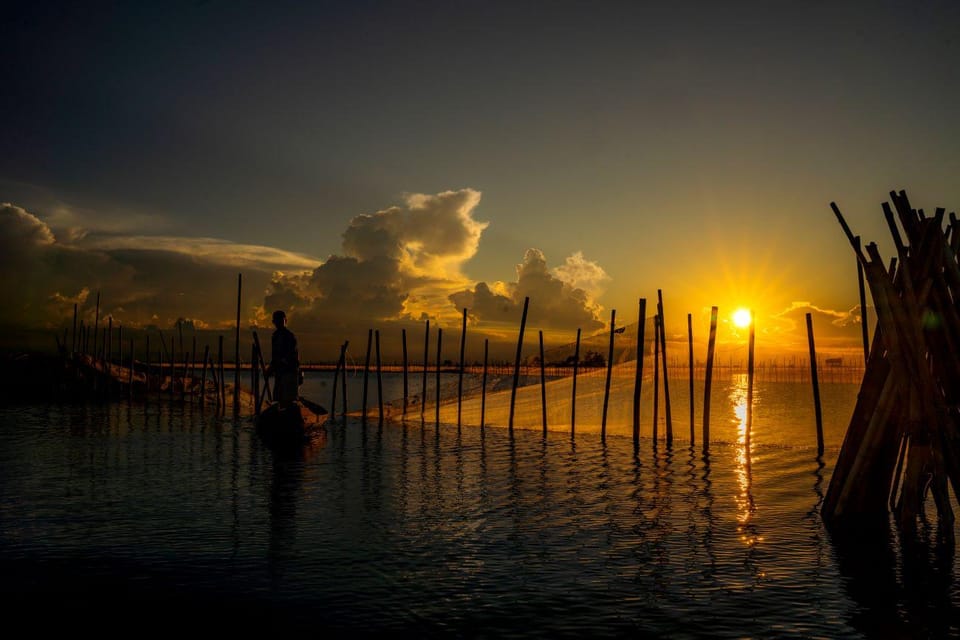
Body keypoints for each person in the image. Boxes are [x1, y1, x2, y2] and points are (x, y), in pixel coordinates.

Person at [266, 310, 300, 411]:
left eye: (281, 320)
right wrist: (271, 368)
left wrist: (279, 363)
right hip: (279, 373)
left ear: (285, 321)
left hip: (289, 372)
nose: (278, 323)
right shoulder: (275, 336)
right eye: (276, 321)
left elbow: (290, 355)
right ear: (273, 322)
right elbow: (275, 356)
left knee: (289, 401)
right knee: (278, 399)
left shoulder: (289, 336)